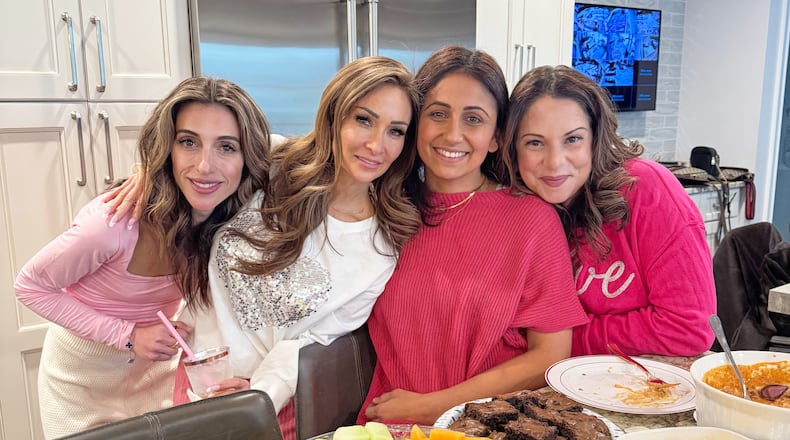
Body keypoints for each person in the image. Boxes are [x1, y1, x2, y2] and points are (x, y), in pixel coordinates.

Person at [104, 56, 423, 440]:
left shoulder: (380, 247)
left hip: (266, 407)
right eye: (364, 120)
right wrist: (150, 174)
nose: (376, 144)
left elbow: (308, 343)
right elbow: (196, 161)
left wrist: (259, 396)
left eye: (396, 131)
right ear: (335, 115)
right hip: (196, 382)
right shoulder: (272, 162)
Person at [14, 76, 272, 439]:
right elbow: (29, 286)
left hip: (155, 367)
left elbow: (291, 152)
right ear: (166, 148)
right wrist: (129, 334)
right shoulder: (111, 224)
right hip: (82, 377)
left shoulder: (225, 214)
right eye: (188, 142)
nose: (204, 166)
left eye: (227, 147)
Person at [358, 46, 588, 426]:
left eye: (474, 119)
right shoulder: (384, 209)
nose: (453, 134)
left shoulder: (532, 219)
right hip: (391, 422)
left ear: (497, 137)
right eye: (438, 114)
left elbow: (549, 354)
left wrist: (436, 406)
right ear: (417, 124)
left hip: (490, 425)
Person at [503, 65, 716, 357]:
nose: (554, 162)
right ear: (512, 148)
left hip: (648, 386)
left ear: (596, 138)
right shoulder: (512, 210)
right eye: (535, 142)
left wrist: (554, 344)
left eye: (573, 139)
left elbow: (688, 328)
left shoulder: (646, 189)